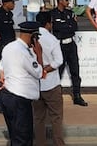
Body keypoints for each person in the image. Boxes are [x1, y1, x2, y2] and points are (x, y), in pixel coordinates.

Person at [0, 21, 43, 146]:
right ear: (33, 36)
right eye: (37, 38)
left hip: (7, 96)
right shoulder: (24, 52)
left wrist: (3, 78)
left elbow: (1, 65)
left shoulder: (9, 47)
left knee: (15, 137)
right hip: (19, 101)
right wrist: (39, 54)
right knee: (23, 139)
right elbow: (39, 73)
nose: (37, 41)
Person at [33, 12, 66, 146]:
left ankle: (40, 143)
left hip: (36, 85)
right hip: (51, 84)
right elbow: (59, 60)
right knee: (56, 118)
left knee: (38, 118)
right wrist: (46, 69)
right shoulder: (52, 39)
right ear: (48, 24)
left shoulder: (31, 39)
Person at [52, 0, 88, 107]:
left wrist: (66, 26)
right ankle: (55, 96)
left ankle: (77, 95)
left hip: (71, 44)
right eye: (66, 0)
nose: (68, 2)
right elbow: (57, 28)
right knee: (58, 71)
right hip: (60, 45)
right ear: (60, 1)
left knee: (75, 71)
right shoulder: (52, 14)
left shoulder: (70, 13)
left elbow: (74, 27)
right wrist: (67, 26)